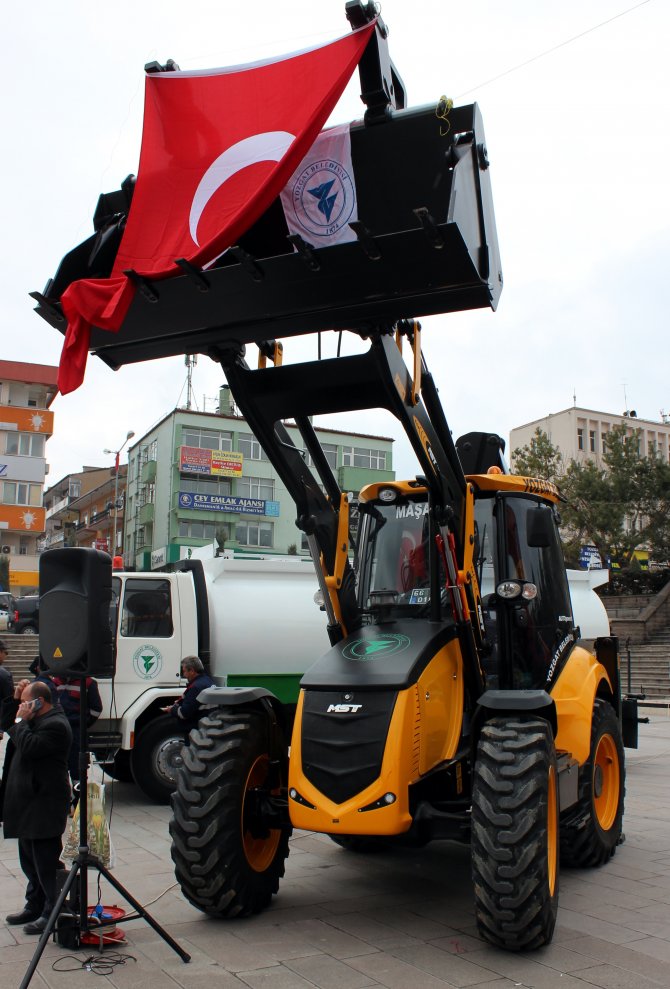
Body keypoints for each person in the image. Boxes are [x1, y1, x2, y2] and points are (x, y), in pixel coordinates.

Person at [1, 678, 72, 935]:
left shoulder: (56, 725)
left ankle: (53, 911)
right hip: (28, 803)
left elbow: (30, 747)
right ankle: (35, 904)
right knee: (29, 860)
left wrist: (21, 720)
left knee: (45, 862)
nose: (21, 707)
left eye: (24, 702)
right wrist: (14, 700)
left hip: (45, 803)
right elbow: (8, 725)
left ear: (39, 702)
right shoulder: (34, 719)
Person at [52, 674, 103, 784]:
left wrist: (82, 723)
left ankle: (78, 790)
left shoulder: (88, 683)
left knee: (78, 768)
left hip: (77, 732)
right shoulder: (55, 682)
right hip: (59, 731)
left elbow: (96, 709)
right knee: (59, 769)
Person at [161, 656, 214, 733]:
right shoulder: (208, 681)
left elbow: (184, 713)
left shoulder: (195, 687)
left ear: (192, 671)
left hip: (195, 730)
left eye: (184, 671)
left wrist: (172, 709)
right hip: (206, 727)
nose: (184, 675)